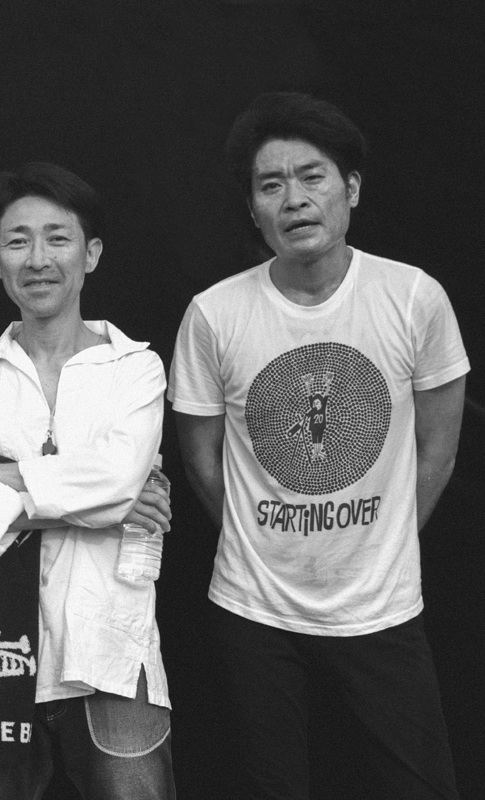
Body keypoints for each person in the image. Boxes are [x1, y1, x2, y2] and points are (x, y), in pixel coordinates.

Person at [169, 92, 467, 799]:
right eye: (271, 185)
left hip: (381, 603)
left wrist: (388, 540)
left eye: (312, 177)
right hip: (255, 608)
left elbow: (439, 448)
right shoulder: (214, 314)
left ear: (351, 189)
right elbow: (202, 460)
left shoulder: (413, 298)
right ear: (253, 209)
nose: (294, 199)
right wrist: (258, 541)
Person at [0, 162, 175, 799]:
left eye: (58, 238)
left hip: (109, 646)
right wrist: (103, 503)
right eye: (18, 241)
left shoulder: (135, 368)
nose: (38, 259)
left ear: (92, 254)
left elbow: (118, 479)